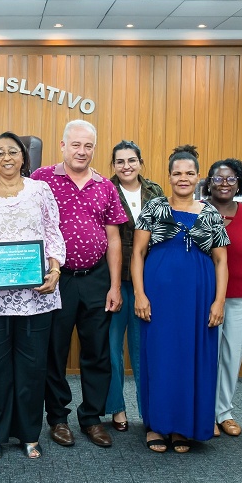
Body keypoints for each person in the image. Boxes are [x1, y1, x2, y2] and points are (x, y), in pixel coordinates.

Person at [0, 131, 65, 460]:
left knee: (32, 366)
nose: (6, 158)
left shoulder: (40, 189)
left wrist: (54, 271)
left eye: (13, 152)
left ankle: (28, 433)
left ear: (24, 157)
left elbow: (53, 233)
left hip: (36, 295)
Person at [32, 120, 127, 449]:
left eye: (88, 146)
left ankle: (91, 417)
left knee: (97, 352)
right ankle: (57, 418)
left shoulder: (105, 186)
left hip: (96, 278)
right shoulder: (41, 179)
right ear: (63, 145)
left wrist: (115, 286)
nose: (82, 151)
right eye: (76, 145)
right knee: (54, 352)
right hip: (56, 279)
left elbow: (114, 238)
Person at [132, 148, 229, 453]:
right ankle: (157, 425)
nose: (183, 178)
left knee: (191, 358)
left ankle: (183, 426)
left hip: (198, 299)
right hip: (159, 297)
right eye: (177, 173)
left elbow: (221, 262)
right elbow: (137, 254)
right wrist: (139, 294)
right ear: (169, 176)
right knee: (160, 357)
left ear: (198, 177)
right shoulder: (154, 208)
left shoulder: (211, 213)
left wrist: (219, 302)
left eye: (189, 173)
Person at [105, 140, 164, 432]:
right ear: (113, 166)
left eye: (131, 160)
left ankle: (149, 411)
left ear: (140, 162)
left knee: (144, 350)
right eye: (120, 161)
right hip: (114, 280)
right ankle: (117, 409)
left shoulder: (157, 193)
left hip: (148, 281)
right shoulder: (105, 189)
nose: (126, 166)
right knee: (112, 349)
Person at [202, 158, 242, 437]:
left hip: (240, 297)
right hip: (205, 299)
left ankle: (224, 412)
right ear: (208, 183)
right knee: (206, 355)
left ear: (240, 183)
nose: (224, 184)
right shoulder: (198, 211)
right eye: (218, 178)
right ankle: (203, 414)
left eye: (231, 179)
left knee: (231, 356)